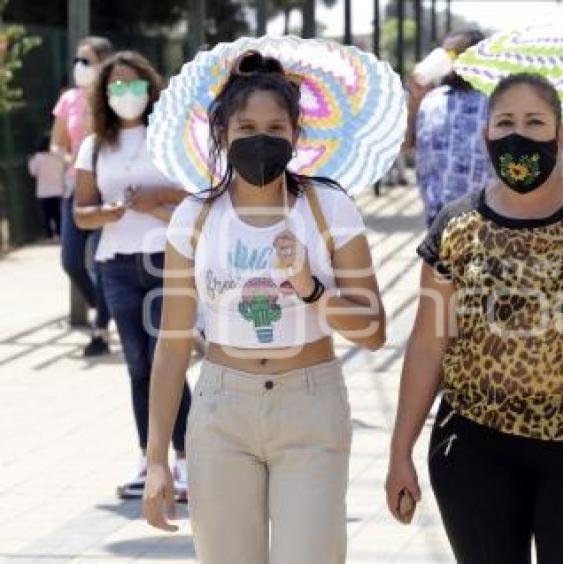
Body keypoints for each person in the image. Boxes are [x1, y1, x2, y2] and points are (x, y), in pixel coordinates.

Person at [386, 73, 563, 564]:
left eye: (535, 121)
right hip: (474, 445)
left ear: (560, 136)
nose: (519, 135)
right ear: (487, 136)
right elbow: (428, 345)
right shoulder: (456, 224)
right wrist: (399, 454)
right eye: (506, 122)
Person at [142, 50, 386, 564]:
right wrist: (158, 457)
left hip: (311, 404)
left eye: (276, 126)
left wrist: (311, 287)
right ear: (223, 133)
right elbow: (171, 341)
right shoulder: (195, 216)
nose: (261, 138)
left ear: (297, 136)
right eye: (246, 125)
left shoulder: (329, 207)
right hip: (221, 410)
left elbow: (373, 331)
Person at [73, 51, 192, 500]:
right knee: (139, 365)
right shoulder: (94, 146)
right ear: (104, 95)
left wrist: (155, 196)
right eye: (116, 87)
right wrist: (110, 211)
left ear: (150, 87)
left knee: (170, 360)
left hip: (165, 259)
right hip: (117, 263)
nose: (127, 94)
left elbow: (195, 193)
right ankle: (149, 457)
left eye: (134, 84)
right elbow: (81, 213)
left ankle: (188, 459)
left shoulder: (169, 138)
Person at [52, 36, 114, 356]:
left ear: (104, 62)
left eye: (87, 61)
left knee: (103, 260)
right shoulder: (68, 100)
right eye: (77, 60)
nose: (80, 67)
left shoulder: (115, 99)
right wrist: (67, 160)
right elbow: (57, 143)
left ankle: (101, 330)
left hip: (108, 188)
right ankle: (106, 303)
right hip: (76, 186)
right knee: (71, 260)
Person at [414, 29, 491, 226]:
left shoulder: (495, 103)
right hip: (459, 219)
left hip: (460, 218)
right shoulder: (432, 100)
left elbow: (422, 165)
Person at [28, 134, 64, 240]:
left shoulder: (38, 157)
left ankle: (48, 234)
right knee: (58, 213)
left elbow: (32, 172)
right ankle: (59, 232)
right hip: (58, 189)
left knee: (47, 214)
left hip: (44, 191)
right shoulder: (59, 155)